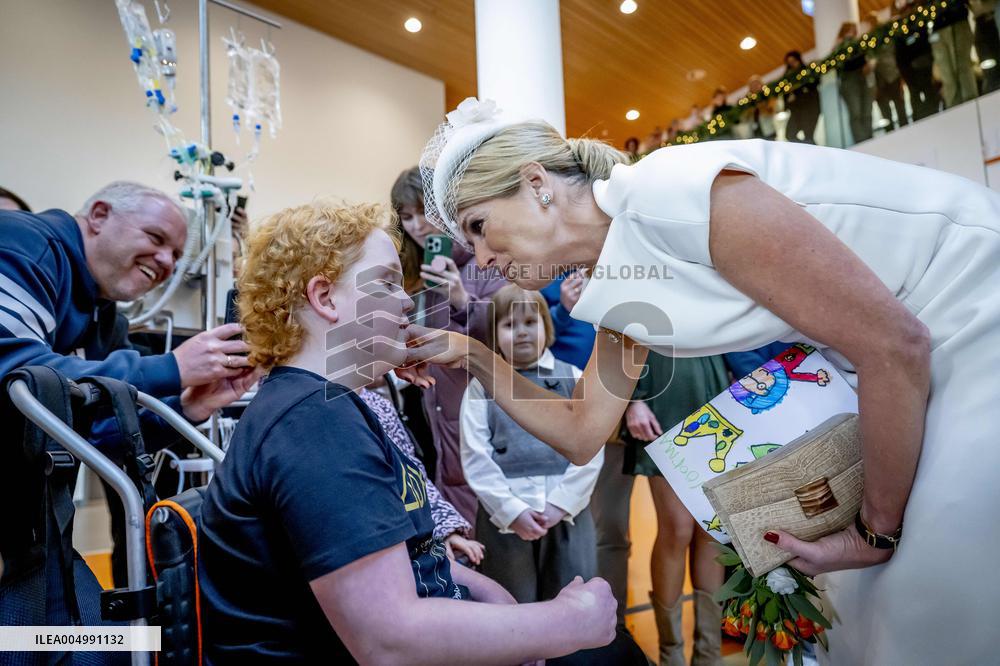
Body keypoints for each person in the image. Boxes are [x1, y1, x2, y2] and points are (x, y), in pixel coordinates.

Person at [400, 98, 1000, 664]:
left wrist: (874, 530)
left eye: (478, 226)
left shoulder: (674, 193)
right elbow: (582, 429)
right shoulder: (618, 279)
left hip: (970, 312)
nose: (478, 257)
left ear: (537, 184)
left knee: (928, 599)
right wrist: (471, 353)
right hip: (904, 360)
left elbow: (894, 343)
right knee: (878, 618)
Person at [198, 200, 618, 664]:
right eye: (386, 284)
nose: (405, 300)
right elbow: (388, 641)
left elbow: (417, 557)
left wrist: (498, 599)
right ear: (325, 298)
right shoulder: (313, 425)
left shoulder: (333, 407)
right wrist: (567, 623)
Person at [0, 181, 257, 421]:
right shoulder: (21, 243)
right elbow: (19, 375)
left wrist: (186, 407)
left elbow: (98, 431)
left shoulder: (106, 318)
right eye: (155, 237)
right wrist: (172, 367)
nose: (168, 262)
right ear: (99, 215)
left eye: (176, 256)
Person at [461, 285, 603, 602]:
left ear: (546, 326)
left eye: (530, 323)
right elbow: (476, 457)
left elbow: (591, 447)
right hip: (505, 521)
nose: (522, 333)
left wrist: (560, 504)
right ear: (494, 333)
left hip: (568, 515)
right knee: (513, 605)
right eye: (510, 325)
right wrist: (512, 511)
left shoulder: (574, 378)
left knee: (573, 602)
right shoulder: (481, 387)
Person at [391, 166, 506, 526]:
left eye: (423, 212)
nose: (416, 225)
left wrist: (460, 297)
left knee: (480, 508)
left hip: (476, 402)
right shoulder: (410, 267)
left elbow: (508, 336)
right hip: (425, 403)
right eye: (406, 216)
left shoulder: (487, 261)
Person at [622, 353, 729, 666]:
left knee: (711, 530)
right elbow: (621, 328)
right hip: (662, 384)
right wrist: (634, 397)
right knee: (676, 528)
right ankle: (671, 653)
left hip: (711, 381)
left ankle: (709, 653)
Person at [359, 378, 485, 565]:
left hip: (404, 545)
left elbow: (412, 475)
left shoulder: (378, 405)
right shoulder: (313, 408)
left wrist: (444, 529)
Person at [864, 12, 909, 131]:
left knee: (898, 103)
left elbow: (890, 52)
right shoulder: (868, 39)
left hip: (891, 73)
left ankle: (904, 127)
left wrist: (876, 60)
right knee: (885, 106)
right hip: (880, 78)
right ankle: (890, 129)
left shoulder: (884, 33)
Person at [833, 22, 874, 143]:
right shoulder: (839, 47)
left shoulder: (860, 44)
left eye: (853, 30)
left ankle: (870, 138)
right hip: (849, 80)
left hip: (863, 76)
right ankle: (861, 140)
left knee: (867, 110)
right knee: (855, 112)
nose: (851, 33)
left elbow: (869, 56)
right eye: (848, 30)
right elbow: (838, 64)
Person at [781, 51, 821, 143]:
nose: (792, 64)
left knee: (808, 134)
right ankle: (804, 148)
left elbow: (814, 84)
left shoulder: (807, 72)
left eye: (794, 61)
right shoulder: (787, 79)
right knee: (790, 134)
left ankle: (809, 149)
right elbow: (785, 97)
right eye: (789, 62)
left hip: (809, 108)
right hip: (796, 111)